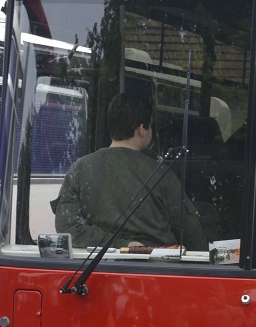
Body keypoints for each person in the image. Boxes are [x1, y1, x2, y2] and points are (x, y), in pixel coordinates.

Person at [54, 91, 209, 251]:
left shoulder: (79, 169)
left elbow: (67, 227)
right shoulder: (163, 174)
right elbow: (193, 237)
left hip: (96, 269)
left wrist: (119, 245)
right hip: (157, 271)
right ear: (142, 129)